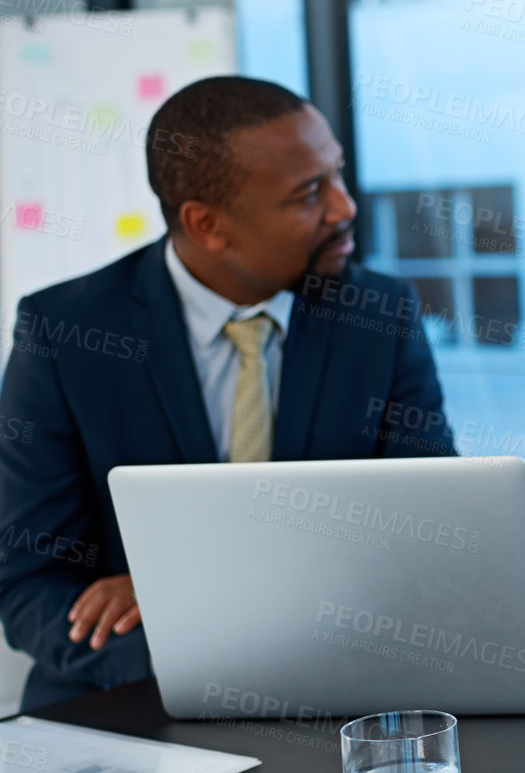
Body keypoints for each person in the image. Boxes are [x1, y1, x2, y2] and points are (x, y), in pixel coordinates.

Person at [0, 76, 455, 712]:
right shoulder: (67, 332)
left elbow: (433, 535)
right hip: (129, 704)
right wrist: (198, 662)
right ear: (207, 225)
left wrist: (178, 597)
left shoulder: (378, 313)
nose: (344, 207)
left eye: (338, 175)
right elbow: (29, 585)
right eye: (309, 193)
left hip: (340, 691)